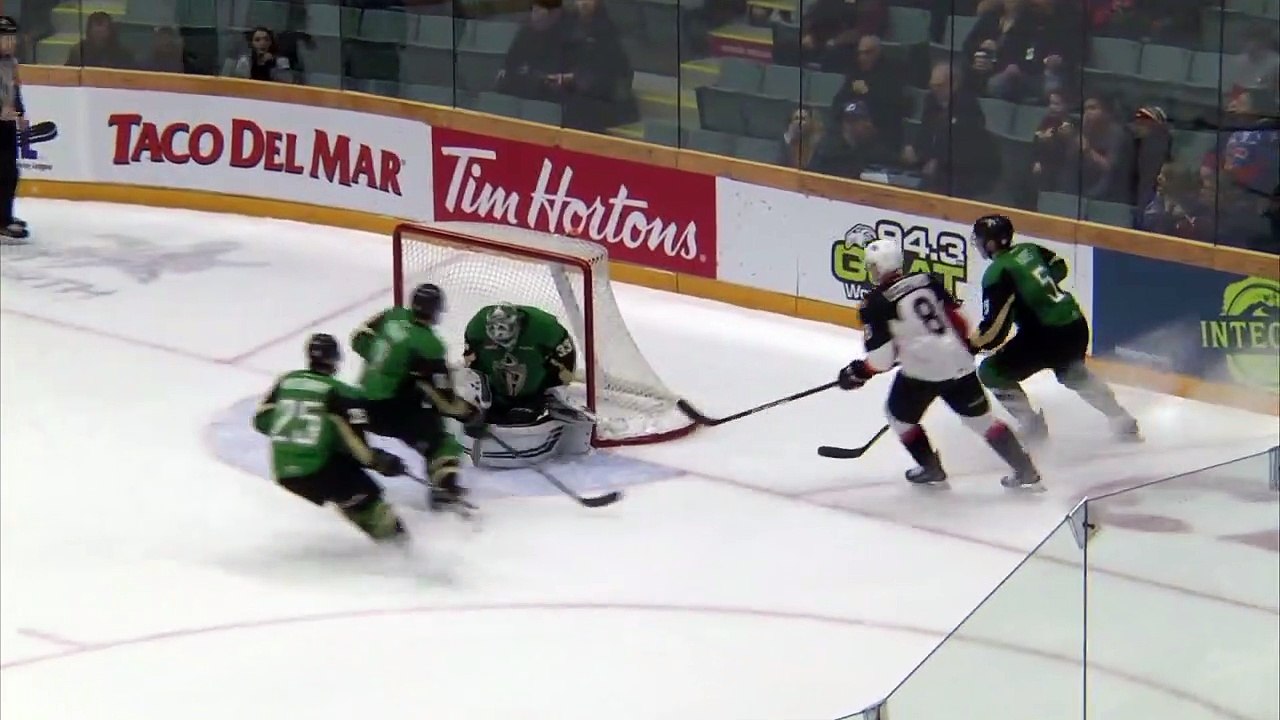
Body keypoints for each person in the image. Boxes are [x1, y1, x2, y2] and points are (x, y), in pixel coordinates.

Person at [836, 237, 1044, 489]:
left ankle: (930, 468)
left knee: (899, 418)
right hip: (959, 363)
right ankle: (1025, 469)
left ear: (878, 268)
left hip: (921, 373)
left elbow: (881, 360)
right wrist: (958, 349)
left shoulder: (875, 304)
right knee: (982, 421)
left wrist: (859, 372)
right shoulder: (928, 280)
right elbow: (959, 320)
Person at [967, 214, 1141, 442]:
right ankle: (1121, 419)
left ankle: (1032, 426)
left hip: (1045, 335)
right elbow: (1059, 267)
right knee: (1072, 373)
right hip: (1075, 323)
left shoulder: (997, 273)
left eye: (980, 239)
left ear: (990, 243)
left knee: (990, 371)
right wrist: (1036, 292)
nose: (978, 244)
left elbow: (994, 329)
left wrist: (970, 345)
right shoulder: (1029, 249)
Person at [253, 334, 410, 544]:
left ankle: (369, 525)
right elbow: (359, 447)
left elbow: (261, 421)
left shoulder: (286, 381)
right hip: (314, 469)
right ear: (335, 359)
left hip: (282, 471)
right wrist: (381, 462)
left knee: (347, 485)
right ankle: (402, 552)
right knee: (369, 496)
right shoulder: (340, 392)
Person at [351, 284, 485, 512]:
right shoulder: (430, 345)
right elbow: (446, 401)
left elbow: (358, 338)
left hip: (360, 403)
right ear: (435, 312)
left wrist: (391, 364)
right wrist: (469, 414)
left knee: (421, 402)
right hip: (390, 409)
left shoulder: (392, 315)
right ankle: (445, 488)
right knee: (441, 441)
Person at [461, 303, 595, 468]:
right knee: (492, 418)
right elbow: (472, 366)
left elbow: (566, 363)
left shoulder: (546, 329)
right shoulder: (476, 328)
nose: (505, 345)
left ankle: (533, 404)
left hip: (533, 389)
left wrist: (552, 391)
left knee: (519, 419)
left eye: (508, 339)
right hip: (496, 388)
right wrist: (476, 404)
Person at [1, 15, 28, 242]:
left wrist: (20, 114)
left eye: (13, 38)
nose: (11, 43)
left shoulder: (12, 63)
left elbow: (15, 92)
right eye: (5, 38)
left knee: (10, 173)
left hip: (6, 125)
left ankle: (5, 215)